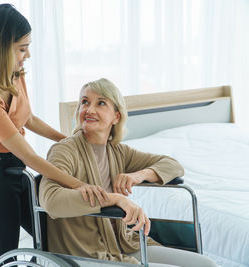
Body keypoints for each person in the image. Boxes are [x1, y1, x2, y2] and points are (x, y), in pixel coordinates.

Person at [0, 4, 108, 266]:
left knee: (52, 234)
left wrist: (68, 140)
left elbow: (27, 118)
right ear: (0, 48)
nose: (27, 54)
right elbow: (29, 155)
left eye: (27, 46)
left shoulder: (14, 74)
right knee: (4, 258)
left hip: (16, 170)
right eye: (21, 48)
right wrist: (79, 185)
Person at [39, 78, 218, 267]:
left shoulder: (118, 152)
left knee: (207, 265)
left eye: (100, 103)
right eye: (84, 102)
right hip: (87, 252)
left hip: (124, 243)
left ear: (116, 116)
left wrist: (137, 176)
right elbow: (51, 200)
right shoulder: (65, 150)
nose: (89, 110)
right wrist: (115, 199)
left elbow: (173, 165)